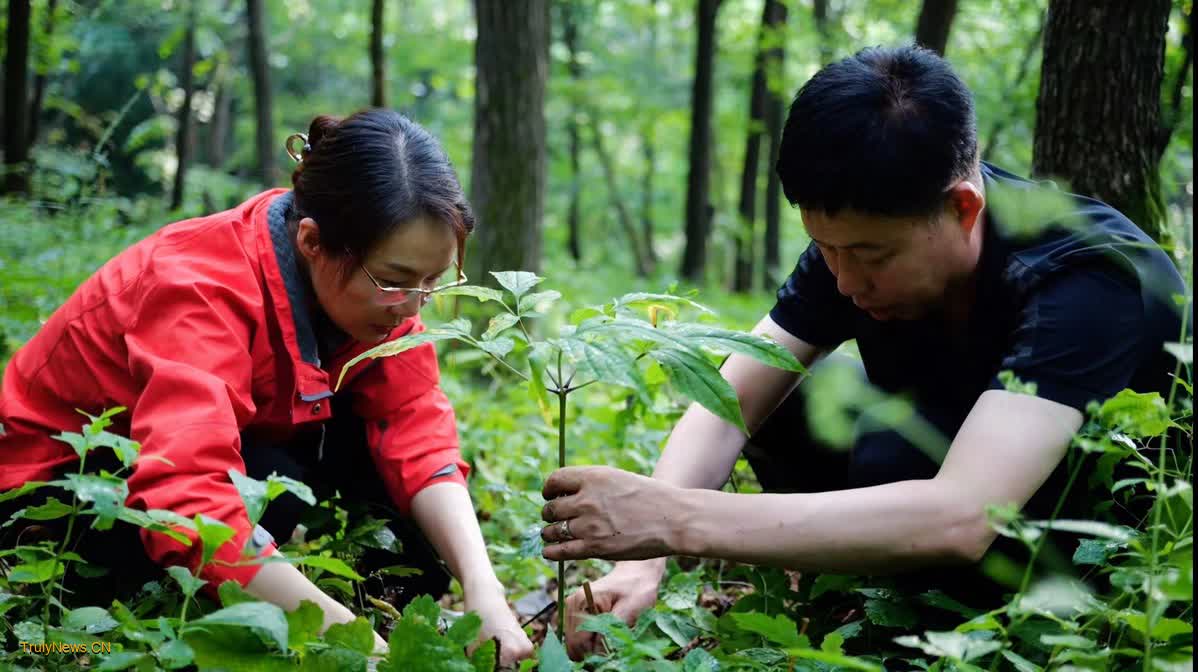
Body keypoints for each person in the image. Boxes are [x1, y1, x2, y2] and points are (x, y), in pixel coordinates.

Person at [540, 45, 1190, 658]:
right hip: (951, 469)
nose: (846, 282)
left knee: (897, 458)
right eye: (828, 251)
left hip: (1083, 546)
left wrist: (676, 519)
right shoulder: (866, 228)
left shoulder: (1084, 276)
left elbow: (966, 515)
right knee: (795, 400)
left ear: (963, 208)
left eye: (872, 257)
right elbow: (728, 399)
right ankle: (861, 596)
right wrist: (640, 561)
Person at [0, 109, 534, 665]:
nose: (411, 307)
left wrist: (484, 589)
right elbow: (187, 495)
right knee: (269, 481)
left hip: (217, 453)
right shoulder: (198, 288)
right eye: (394, 280)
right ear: (312, 241)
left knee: (400, 503)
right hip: (62, 498)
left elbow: (415, 427)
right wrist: (355, 645)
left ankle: (369, 604)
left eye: (432, 281)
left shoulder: (383, 296)